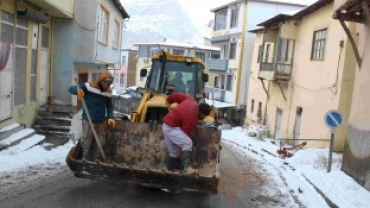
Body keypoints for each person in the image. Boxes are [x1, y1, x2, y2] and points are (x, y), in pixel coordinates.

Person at [69, 70, 116, 160]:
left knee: (100, 141)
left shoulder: (108, 92)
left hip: (101, 121)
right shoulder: (89, 87)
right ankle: (85, 158)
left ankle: (96, 160)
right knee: (87, 140)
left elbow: (110, 106)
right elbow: (71, 89)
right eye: (106, 83)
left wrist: (111, 117)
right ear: (101, 81)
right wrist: (77, 91)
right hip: (88, 120)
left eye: (110, 83)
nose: (108, 86)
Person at [162, 93, 211, 175]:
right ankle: (187, 168)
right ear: (202, 113)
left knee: (174, 151)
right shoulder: (192, 119)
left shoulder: (191, 100)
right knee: (188, 143)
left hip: (166, 125)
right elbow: (185, 133)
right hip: (171, 128)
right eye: (204, 116)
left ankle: (168, 168)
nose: (203, 118)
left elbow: (176, 96)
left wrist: (169, 100)